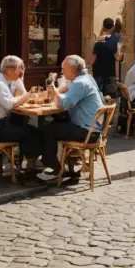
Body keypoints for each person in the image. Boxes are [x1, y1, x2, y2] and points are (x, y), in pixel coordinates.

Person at [36, 55, 105, 183]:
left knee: (48, 130)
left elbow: (64, 103)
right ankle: (65, 164)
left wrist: (53, 88)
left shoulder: (80, 83)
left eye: (63, 69)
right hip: (93, 128)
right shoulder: (87, 78)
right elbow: (68, 98)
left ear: (73, 70)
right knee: (57, 122)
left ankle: (54, 167)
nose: (62, 72)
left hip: (87, 132)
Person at [91, 18, 123, 95]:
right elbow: (118, 57)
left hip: (98, 74)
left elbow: (92, 60)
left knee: (99, 95)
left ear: (103, 26)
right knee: (110, 96)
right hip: (110, 74)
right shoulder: (116, 39)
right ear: (113, 26)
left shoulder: (98, 43)